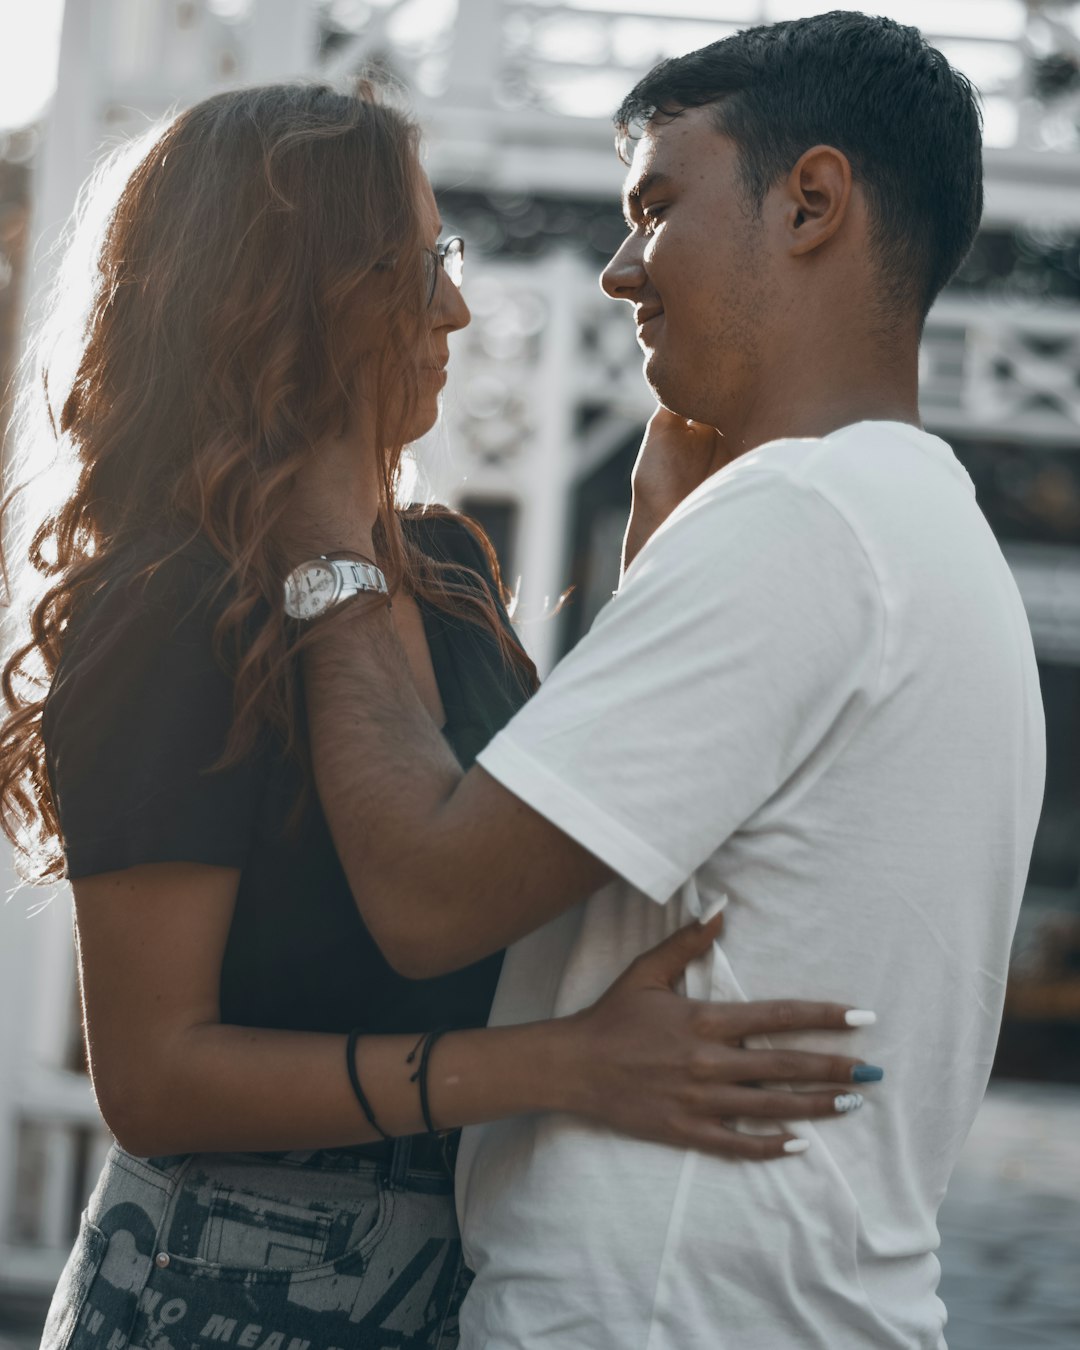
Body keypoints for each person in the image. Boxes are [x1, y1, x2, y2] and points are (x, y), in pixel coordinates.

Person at [0, 83, 879, 1350]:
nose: (455, 304)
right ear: (290, 300)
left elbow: (523, 845)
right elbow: (153, 1080)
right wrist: (567, 1066)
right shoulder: (166, 609)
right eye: (417, 263)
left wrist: (657, 562)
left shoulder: (445, 567)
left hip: (464, 1276)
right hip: (228, 1288)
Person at [292, 15, 1047, 1350]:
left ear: (812, 200)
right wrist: (660, 576)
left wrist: (326, 527)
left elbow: (425, 895)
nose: (618, 272)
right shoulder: (927, 532)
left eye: (655, 208)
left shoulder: (804, 522)